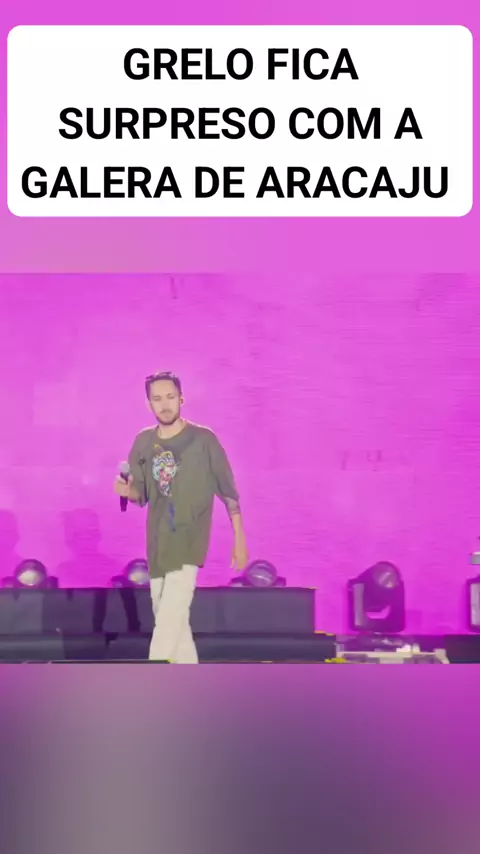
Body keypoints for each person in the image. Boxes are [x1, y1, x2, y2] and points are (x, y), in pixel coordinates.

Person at [114, 371, 248, 663]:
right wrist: (126, 490)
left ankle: (153, 681)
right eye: (157, 399)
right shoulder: (143, 442)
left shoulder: (203, 440)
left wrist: (239, 539)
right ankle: (188, 677)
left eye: (170, 397)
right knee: (172, 620)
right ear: (148, 403)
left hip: (189, 540)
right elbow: (141, 495)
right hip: (158, 542)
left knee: (168, 621)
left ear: (182, 399)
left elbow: (228, 492)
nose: (165, 404)